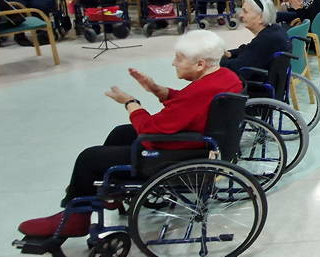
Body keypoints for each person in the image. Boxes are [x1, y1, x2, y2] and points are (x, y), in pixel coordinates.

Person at [15, 30, 242, 238]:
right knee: (121, 133)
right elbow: (188, 105)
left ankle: (76, 217)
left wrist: (131, 103)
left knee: (89, 158)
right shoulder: (224, 77)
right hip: (199, 143)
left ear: (200, 64)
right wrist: (156, 89)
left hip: (178, 154)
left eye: (179, 58)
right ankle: (106, 192)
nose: (174, 62)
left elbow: (150, 128)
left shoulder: (203, 90)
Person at [221, 0, 291, 72]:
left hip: (257, 79)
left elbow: (237, 67)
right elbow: (249, 49)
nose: (241, 15)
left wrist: (217, 61)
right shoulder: (273, 30)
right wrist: (230, 53)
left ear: (261, 17)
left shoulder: (265, 40)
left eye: (245, 11)